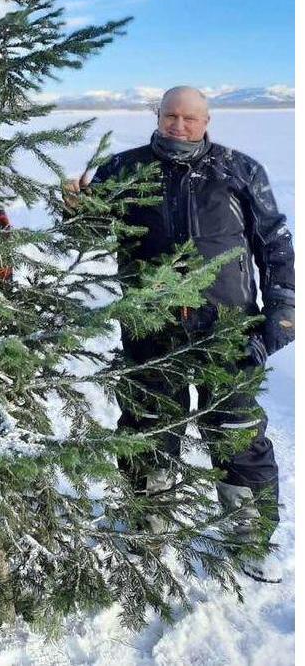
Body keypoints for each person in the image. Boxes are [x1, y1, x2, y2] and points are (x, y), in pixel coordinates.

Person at [67, 85, 294, 583]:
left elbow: (274, 242)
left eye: (190, 118)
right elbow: (88, 237)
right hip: (152, 326)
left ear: (207, 120)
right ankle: (150, 521)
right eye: (171, 115)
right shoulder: (124, 170)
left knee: (236, 429)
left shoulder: (240, 169)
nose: (179, 126)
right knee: (149, 422)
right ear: (158, 115)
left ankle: (249, 532)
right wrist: (75, 210)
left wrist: (280, 312)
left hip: (228, 326)